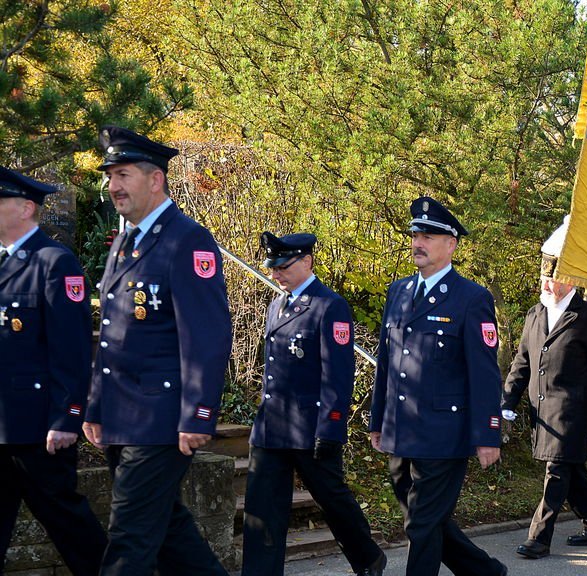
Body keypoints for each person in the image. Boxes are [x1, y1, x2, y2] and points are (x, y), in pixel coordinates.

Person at [83, 126, 233, 575]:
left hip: (160, 417)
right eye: (110, 176)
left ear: (155, 180)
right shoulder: (126, 242)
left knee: (129, 538)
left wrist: (198, 413)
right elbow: (112, 334)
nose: (113, 186)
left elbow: (207, 335)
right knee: (169, 532)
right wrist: (94, 405)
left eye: (123, 174)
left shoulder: (186, 240)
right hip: (121, 413)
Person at [369, 196, 507, 576]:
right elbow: (387, 361)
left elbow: (484, 373)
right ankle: (484, 571)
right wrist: (377, 419)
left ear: (451, 245)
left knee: (422, 525)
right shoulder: (398, 292)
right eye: (416, 234)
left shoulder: (472, 298)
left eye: (429, 236)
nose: (419, 242)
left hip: (444, 433)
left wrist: (488, 434)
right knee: (423, 517)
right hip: (400, 427)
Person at [242, 232, 385, 576]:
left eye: (283, 266)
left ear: (306, 262)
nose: (275, 273)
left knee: (332, 500)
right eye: (272, 267)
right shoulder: (277, 305)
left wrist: (332, 425)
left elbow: (338, 373)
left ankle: (367, 557)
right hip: (271, 427)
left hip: (309, 428)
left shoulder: (329, 305)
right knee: (261, 511)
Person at [0, 167, 107, 575]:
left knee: (69, 524)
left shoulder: (54, 262)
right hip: (3, 422)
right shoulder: (4, 263)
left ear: (26, 208)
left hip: (38, 430)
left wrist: (68, 416)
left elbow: (73, 350)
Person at [501, 218, 587, 560]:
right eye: (543, 276)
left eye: (551, 277)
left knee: (556, 471)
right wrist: (508, 398)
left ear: (570, 281)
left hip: (572, 411)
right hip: (541, 412)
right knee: (570, 469)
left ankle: (539, 538)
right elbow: (521, 362)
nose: (545, 282)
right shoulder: (534, 314)